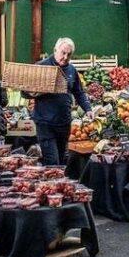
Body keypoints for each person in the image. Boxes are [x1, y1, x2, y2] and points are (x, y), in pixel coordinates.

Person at [33, 38, 91, 166]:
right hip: (45, 123)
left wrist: (88, 109)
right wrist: (35, 92)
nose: (65, 57)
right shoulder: (41, 66)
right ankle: (50, 185)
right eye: (63, 53)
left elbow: (79, 92)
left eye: (69, 54)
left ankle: (56, 185)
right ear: (55, 50)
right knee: (52, 162)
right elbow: (25, 92)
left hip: (64, 123)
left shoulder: (71, 70)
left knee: (61, 161)